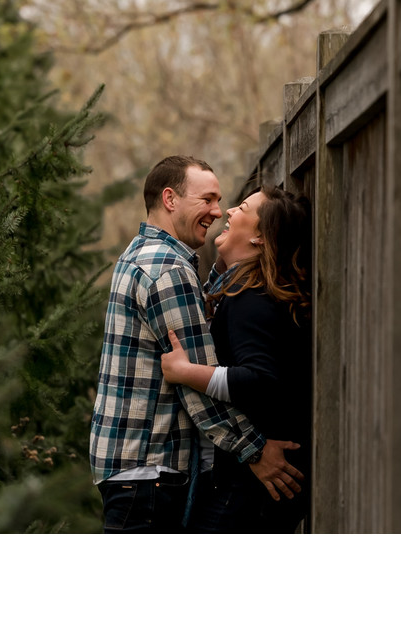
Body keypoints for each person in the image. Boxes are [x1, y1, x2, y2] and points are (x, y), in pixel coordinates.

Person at [89, 156, 304, 533]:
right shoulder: (170, 270)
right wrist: (256, 451)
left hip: (132, 465)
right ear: (171, 199)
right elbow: (196, 389)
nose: (218, 211)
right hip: (149, 467)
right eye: (207, 199)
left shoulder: (140, 254)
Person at [161, 185, 312, 533]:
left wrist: (185, 371)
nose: (228, 211)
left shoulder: (251, 298)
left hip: (248, 492)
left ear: (260, 235)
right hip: (252, 487)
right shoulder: (249, 290)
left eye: (242, 207)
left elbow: (260, 381)